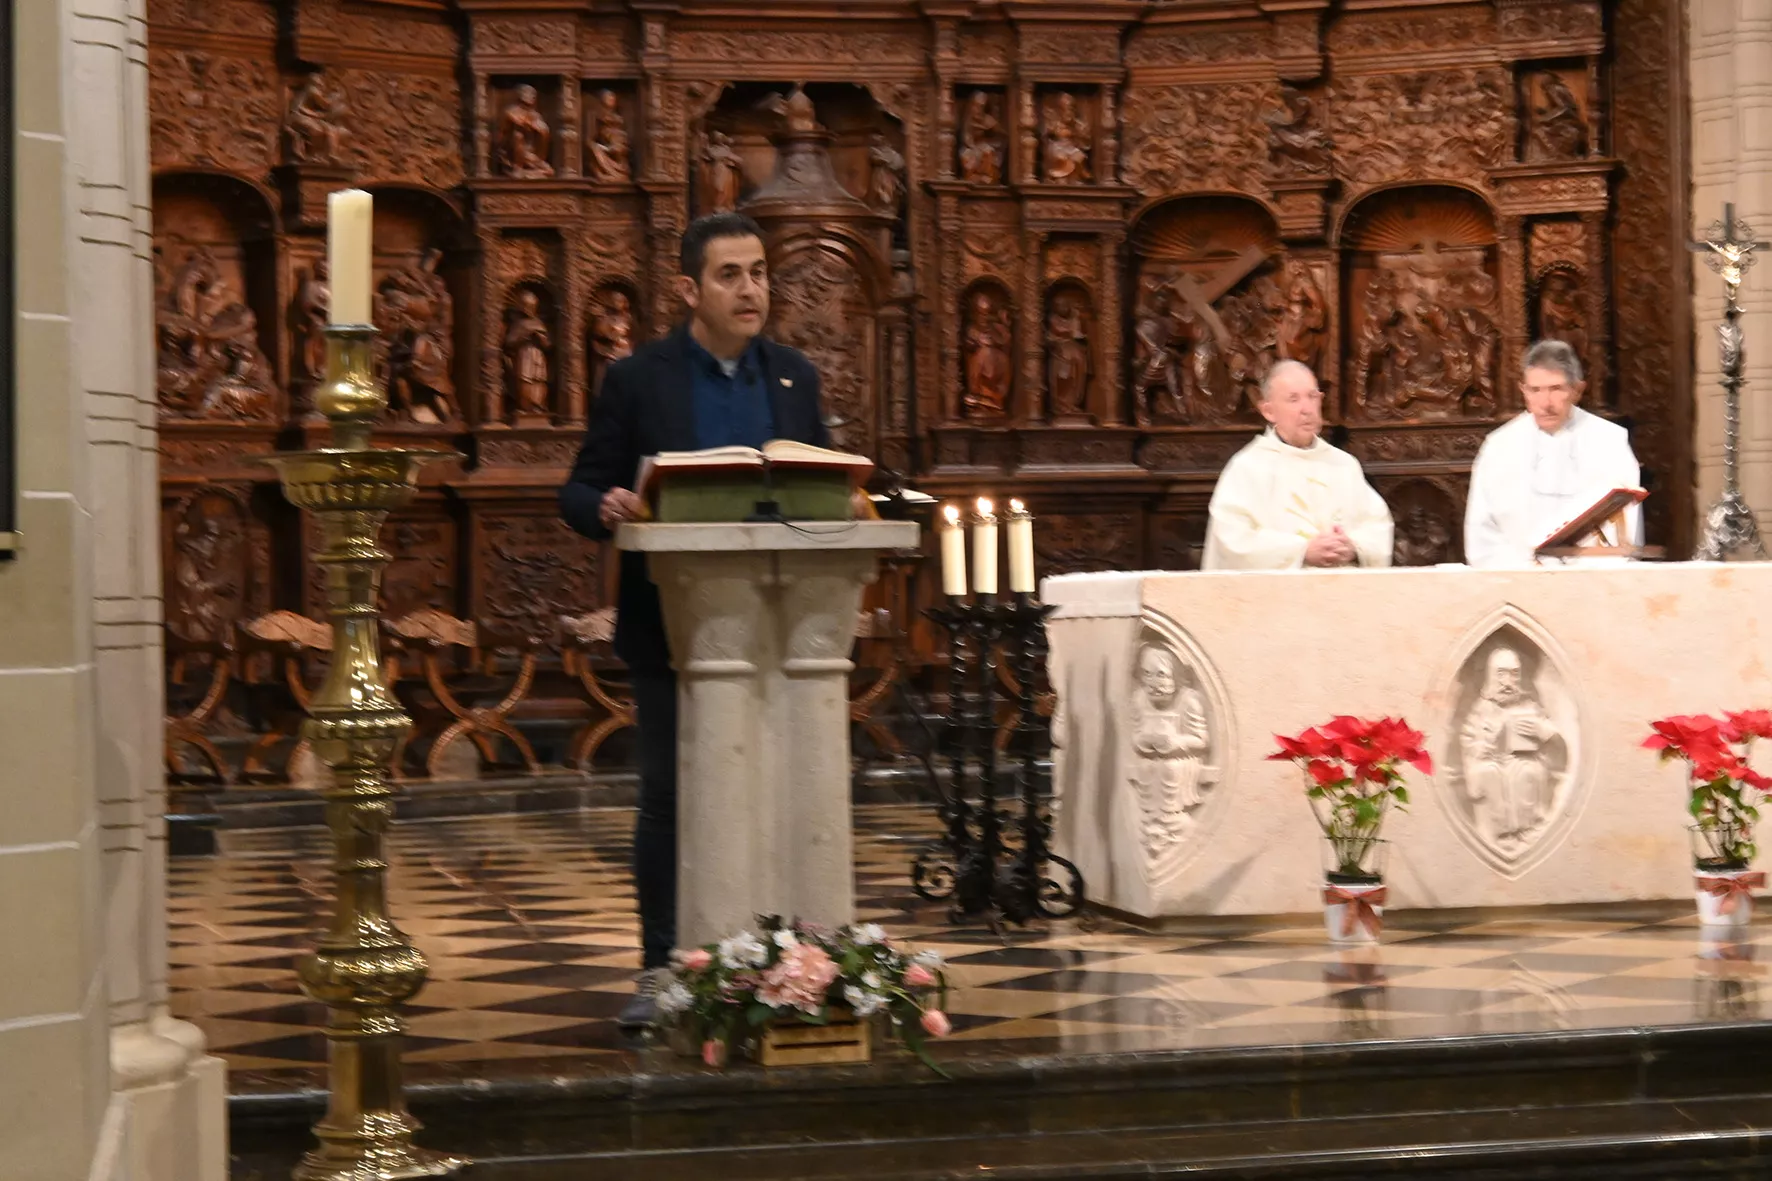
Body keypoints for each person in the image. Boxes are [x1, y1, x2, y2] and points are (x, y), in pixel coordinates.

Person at [558, 212, 827, 1030]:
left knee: (785, 789)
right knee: (671, 798)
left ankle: (791, 961)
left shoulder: (795, 377)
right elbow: (579, 488)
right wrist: (606, 504)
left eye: (759, 272)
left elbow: (822, 483)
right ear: (689, 289)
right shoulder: (640, 379)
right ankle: (662, 964)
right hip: (675, 629)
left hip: (784, 626)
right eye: (730, 274)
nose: (751, 289)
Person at [1464, 339, 1642, 568]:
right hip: (1517, 576)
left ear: (1577, 390)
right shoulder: (1499, 446)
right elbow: (1481, 532)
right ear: (1523, 390)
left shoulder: (1609, 441)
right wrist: (1527, 567)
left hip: (1590, 578)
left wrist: (1575, 572)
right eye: (1535, 390)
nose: (1545, 403)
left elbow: (1623, 525)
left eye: (1556, 389)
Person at [1202, 360, 1394, 570]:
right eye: (1293, 399)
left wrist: (1353, 547)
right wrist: (1301, 551)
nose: (1307, 409)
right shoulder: (1247, 468)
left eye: (1312, 396)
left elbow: (1376, 526)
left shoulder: (1344, 465)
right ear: (1268, 411)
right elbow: (1232, 540)